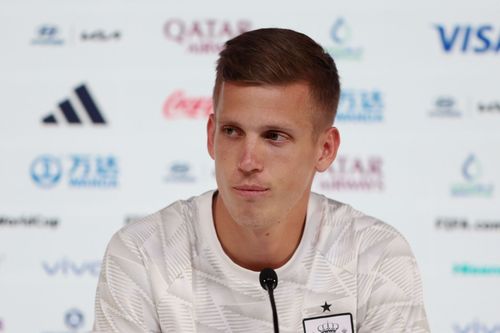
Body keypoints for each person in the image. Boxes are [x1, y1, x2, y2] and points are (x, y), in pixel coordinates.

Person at [92, 28, 430, 333]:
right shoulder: (142, 255)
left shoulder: (374, 256)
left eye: (274, 136)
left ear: (325, 149)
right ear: (211, 136)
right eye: (232, 132)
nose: (248, 161)